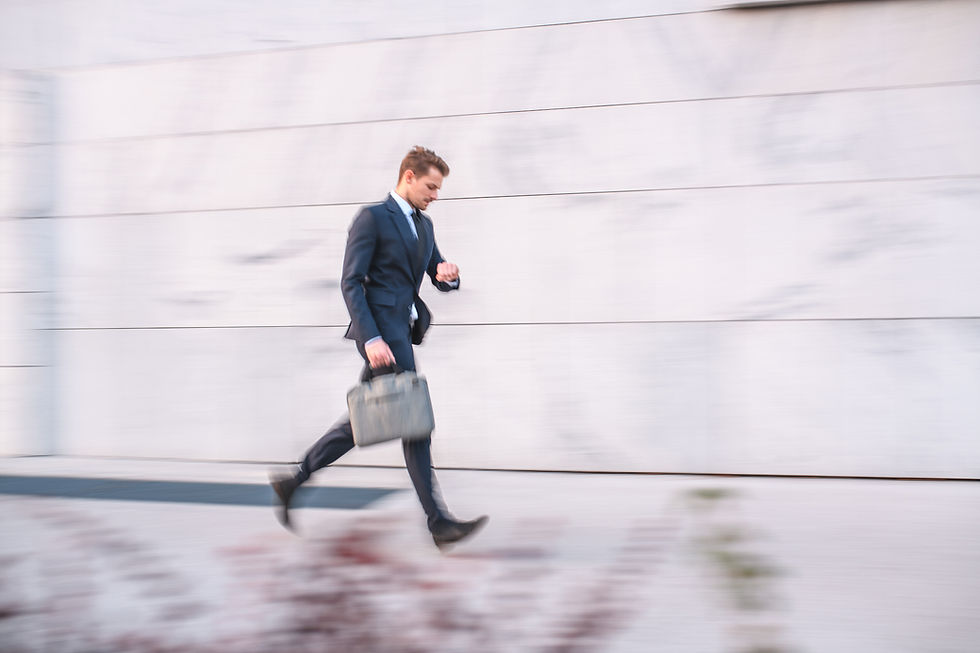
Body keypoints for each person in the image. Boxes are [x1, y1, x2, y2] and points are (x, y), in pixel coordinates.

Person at [270, 146, 487, 551]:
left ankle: (294, 479)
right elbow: (351, 281)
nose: (436, 195)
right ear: (408, 176)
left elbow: (435, 273)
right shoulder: (372, 218)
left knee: (364, 421)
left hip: (401, 334)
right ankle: (439, 523)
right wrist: (370, 339)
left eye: (438, 189)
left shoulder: (424, 226)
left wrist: (448, 276)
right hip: (381, 337)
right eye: (431, 186)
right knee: (415, 422)